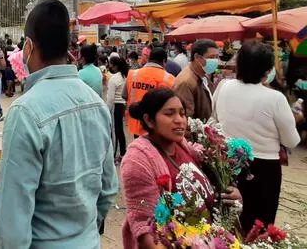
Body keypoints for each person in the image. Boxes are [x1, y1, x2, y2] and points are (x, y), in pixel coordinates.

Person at [0, 0, 117, 248]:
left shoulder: (25, 112)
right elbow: (107, 188)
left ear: (28, 47)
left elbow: (12, 220)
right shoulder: (96, 103)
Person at [120, 88, 240, 249]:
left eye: (182, 113)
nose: (179, 120)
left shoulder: (184, 147)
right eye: (169, 114)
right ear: (149, 120)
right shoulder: (138, 162)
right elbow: (144, 227)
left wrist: (232, 198)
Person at [214, 40, 300, 232]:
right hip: (264, 170)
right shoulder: (275, 98)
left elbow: (215, 119)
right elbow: (291, 140)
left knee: (231, 223)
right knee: (259, 224)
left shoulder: (223, 86)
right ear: (267, 69)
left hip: (229, 164)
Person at [123, 47, 175, 137]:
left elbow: (124, 95)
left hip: (136, 121)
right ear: (164, 61)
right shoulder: (169, 79)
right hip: (156, 126)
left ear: (149, 58)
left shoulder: (133, 74)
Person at [173, 39, 218, 121]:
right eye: (211, 57)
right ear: (197, 57)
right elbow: (186, 118)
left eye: (216, 57)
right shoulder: (186, 82)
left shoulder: (203, 75)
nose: (215, 61)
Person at [107, 56, 129, 159]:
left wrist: (107, 110)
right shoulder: (125, 76)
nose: (109, 66)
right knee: (120, 130)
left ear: (115, 66)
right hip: (122, 105)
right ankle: (123, 152)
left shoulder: (114, 79)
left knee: (115, 131)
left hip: (115, 106)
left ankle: (115, 154)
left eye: (110, 64)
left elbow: (110, 98)